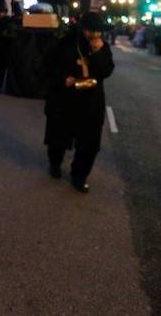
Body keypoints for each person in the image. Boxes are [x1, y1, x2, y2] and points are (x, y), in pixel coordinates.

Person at [44, 11, 115, 193]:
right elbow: (49, 66)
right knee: (58, 136)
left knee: (89, 143)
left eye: (98, 32)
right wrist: (63, 78)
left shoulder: (102, 47)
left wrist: (98, 51)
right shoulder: (66, 43)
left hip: (90, 101)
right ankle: (55, 163)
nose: (95, 35)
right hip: (65, 98)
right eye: (91, 31)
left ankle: (79, 175)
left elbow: (106, 71)